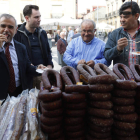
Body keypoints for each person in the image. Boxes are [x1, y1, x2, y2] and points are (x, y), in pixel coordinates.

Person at [0, 14, 46, 99]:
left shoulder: (21, 47)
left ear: (16, 30)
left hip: (20, 92)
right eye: (2, 26)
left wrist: (37, 68)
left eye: (10, 27)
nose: (6, 30)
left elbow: (27, 67)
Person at [14, 5, 53, 89]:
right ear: (27, 18)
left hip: (43, 76)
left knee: (44, 100)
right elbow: (16, 56)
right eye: (36, 17)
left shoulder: (42, 33)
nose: (39, 19)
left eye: (40, 16)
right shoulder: (17, 34)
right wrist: (30, 66)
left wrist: (49, 66)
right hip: (27, 77)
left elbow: (48, 51)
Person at [104, 1, 140, 67]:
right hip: (121, 76)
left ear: (136, 16)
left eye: (126, 17)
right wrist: (117, 48)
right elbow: (106, 56)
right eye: (121, 17)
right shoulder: (115, 34)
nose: (122, 20)